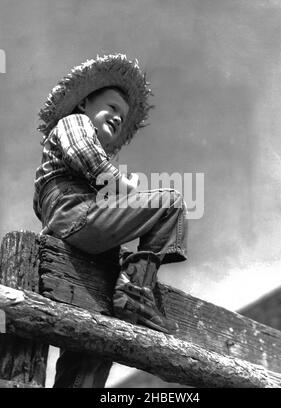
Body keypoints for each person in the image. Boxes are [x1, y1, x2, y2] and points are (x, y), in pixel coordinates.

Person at [33, 53, 188, 387]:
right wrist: (121, 183)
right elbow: (85, 155)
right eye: (112, 107)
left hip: (81, 233)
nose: (118, 117)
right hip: (74, 215)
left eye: (123, 115)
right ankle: (136, 291)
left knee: (95, 335)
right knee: (170, 203)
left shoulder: (82, 151)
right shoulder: (73, 124)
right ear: (84, 104)